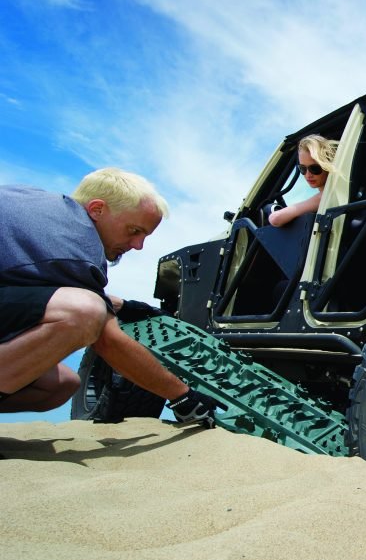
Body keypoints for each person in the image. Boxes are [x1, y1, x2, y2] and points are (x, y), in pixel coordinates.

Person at [0, 167, 217, 426]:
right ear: (97, 209)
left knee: (61, 385)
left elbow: (30, 288)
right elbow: (107, 340)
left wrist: (124, 305)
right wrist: (182, 396)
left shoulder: (34, 203)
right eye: (134, 230)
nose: (138, 245)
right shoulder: (78, 247)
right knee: (85, 312)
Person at [268, 134, 339, 227]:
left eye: (314, 168)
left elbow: (275, 219)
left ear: (328, 165)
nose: (308, 175)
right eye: (303, 169)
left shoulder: (327, 195)